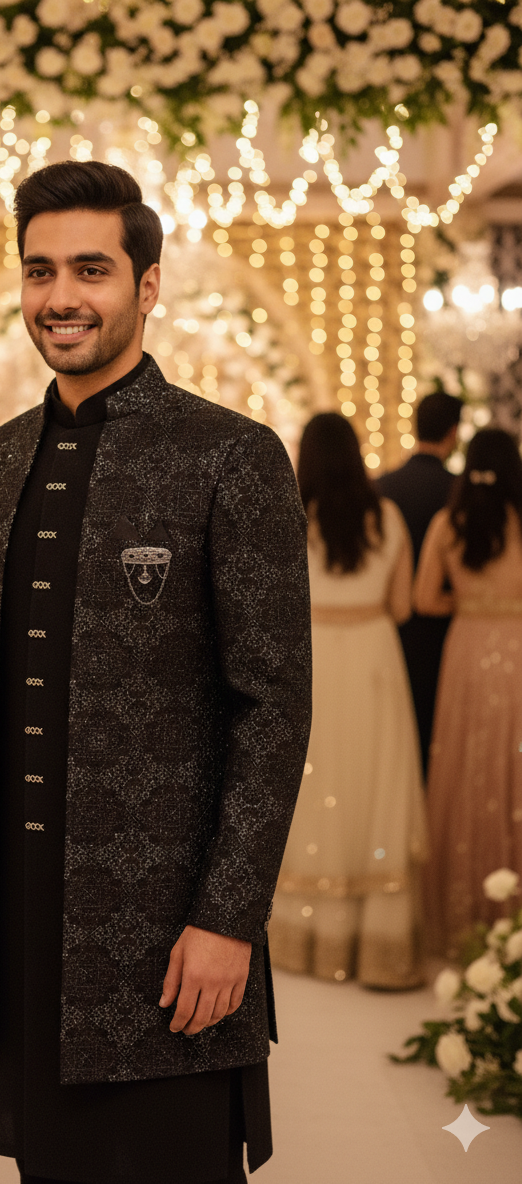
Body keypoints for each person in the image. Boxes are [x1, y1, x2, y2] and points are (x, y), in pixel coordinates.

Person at [0, 161, 312, 1184]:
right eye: (39, 270)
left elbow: (272, 706)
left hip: (168, 918)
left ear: (148, 284)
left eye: (91, 268)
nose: (60, 296)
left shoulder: (233, 455)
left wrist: (231, 916)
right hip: (20, 914)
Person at [271, 413, 427, 989]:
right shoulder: (385, 517)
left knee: (311, 784)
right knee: (375, 781)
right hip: (373, 658)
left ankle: (305, 936)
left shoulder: (290, 516)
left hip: (312, 657)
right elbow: (405, 603)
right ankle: (376, 942)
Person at [415, 427, 522, 959]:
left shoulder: (450, 523)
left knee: (470, 769)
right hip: (518, 647)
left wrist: (472, 606)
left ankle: (467, 919)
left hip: (467, 647)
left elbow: (424, 598)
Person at [376, 390, 463, 777]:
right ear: (454, 433)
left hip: (393, 634)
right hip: (449, 630)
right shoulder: (462, 494)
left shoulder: (383, 488)